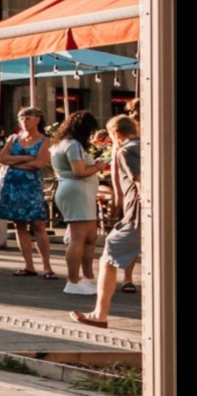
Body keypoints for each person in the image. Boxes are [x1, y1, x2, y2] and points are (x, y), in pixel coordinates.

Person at [73, 115, 140, 328]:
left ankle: (99, 315)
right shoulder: (148, 146)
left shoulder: (126, 150)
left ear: (116, 133)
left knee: (109, 256)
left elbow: (140, 181)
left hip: (139, 215)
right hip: (148, 214)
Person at [0, 106, 56, 280]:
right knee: (18, 224)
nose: (24, 120)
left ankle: (47, 265)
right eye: (21, 117)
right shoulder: (13, 138)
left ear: (38, 119)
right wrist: (25, 159)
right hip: (13, 185)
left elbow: (40, 163)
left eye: (28, 117)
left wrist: (14, 163)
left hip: (31, 186)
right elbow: (2, 158)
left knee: (38, 224)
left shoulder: (45, 140)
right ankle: (28, 264)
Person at [50, 109, 104, 295]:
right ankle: (73, 280)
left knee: (89, 238)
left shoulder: (61, 144)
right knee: (78, 238)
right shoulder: (73, 145)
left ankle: (88, 278)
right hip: (77, 192)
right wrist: (98, 166)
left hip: (79, 192)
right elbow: (79, 171)